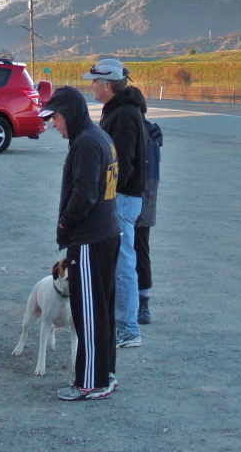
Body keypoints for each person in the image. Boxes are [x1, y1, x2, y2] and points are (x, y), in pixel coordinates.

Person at [39, 86, 120, 402]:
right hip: (106, 234)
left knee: (87, 313)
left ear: (69, 114)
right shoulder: (99, 137)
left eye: (55, 117)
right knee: (101, 310)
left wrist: (65, 222)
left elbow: (85, 194)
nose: (53, 124)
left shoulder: (86, 143)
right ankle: (105, 375)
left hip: (89, 239)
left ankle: (90, 382)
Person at [83, 58, 146, 348]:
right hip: (121, 197)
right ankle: (123, 324)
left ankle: (128, 329)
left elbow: (122, 164)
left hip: (121, 198)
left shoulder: (122, 115)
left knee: (122, 263)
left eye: (95, 81)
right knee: (120, 261)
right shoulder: (120, 111)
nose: (91, 85)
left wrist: (106, 195)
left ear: (108, 84)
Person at [135, 101, 163, 324]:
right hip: (146, 193)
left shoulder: (145, 132)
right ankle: (141, 303)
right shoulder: (150, 131)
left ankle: (143, 304)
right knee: (140, 249)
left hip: (142, 194)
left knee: (138, 249)